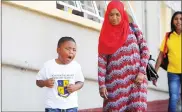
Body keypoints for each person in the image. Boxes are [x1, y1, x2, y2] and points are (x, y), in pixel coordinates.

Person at [98, 0, 150, 112]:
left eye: (117, 14)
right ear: (107, 15)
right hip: (115, 84)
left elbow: (145, 50)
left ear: (122, 14)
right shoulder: (105, 35)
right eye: (111, 15)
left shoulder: (133, 29)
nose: (114, 18)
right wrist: (102, 85)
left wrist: (141, 72)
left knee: (137, 109)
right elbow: (102, 62)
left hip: (136, 81)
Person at [36, 36, 84, 112]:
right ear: (58, 50)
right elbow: (38, 81)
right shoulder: (48, 65)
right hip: (52, 107)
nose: (71, 52)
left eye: (74, 50)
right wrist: (45, 83)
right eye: (68, 49)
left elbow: (81, 82)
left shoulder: (76, 66)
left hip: (71, 106)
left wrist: (75, 87)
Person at [155, 11, 182, 112]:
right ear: (172, 22)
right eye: (176, 19)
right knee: (173, 98)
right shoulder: (168, 36)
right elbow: (160, 56)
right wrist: (154, 74)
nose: (178, 21)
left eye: (181, 19)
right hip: (173, 73)